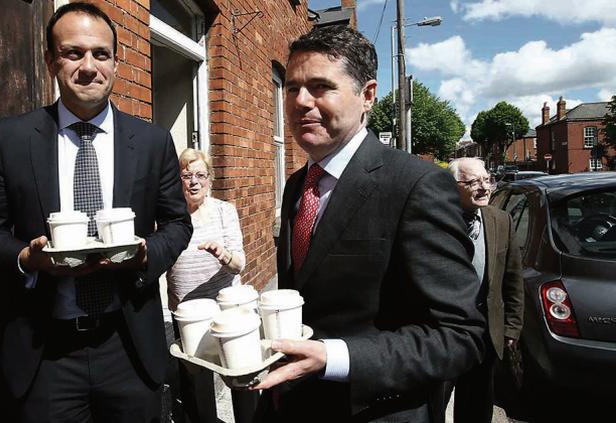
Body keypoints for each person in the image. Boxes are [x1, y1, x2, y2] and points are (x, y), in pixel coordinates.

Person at [0, 3, 192, 422]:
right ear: (50, 59)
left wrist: (144, 254)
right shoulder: (12, 138)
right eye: (73, 53)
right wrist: (28, 259)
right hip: (46, 352)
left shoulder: (152, 142)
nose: (89, 66)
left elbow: (178, 224)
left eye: (101, 54)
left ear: (116, 62)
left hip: (127, 345)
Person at [250, 25, 486, 422]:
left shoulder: (417, 185)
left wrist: (335, 357)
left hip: (375, 410)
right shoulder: (296, 185)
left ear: (368, 96)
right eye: (291, 88)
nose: (300, 102)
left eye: (321, 87)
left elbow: (460, 335)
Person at [166, 148, 250, 423]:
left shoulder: (224, 211)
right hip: (189, 317)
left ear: (210, 180)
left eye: (200, 175)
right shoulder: (170, 217)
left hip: (226, 310)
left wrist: (222, 254)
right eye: (186, 175)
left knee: (241, 379)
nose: (193, 181)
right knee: (197, 388)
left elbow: (239, 264)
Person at [445, 157, 524, 422]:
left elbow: (512, 279)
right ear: (453, 185)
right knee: (433, 402)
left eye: (487, 179)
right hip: (443, 334)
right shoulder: (437, 222)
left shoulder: (501, 220)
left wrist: (511, 328)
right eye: (473, 182)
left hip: (484, 333)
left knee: (477, 405)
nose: (484, 187)